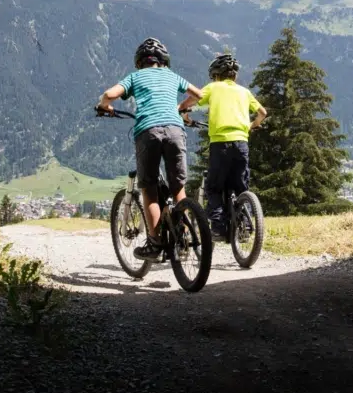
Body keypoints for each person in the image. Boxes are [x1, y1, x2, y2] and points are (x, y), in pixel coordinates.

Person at [96, 37, 203, 260]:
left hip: (149, 131)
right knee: (178, 187)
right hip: (175, 130)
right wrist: (182, 108)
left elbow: (109, 94)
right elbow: (199, 95)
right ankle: (183, 240)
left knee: (149, 190)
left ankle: (154, 244)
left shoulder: (135, 77)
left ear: (140, 62)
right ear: (163, 61)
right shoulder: (173, 76)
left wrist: (104, 106)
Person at [178, 53, 266, 239]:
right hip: (242, 143)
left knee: (214, 186)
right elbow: (262, 113)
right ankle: (244, 224)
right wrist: (251, 126)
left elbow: (188, 103)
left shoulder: (213, 87)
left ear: (216, 75)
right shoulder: (245, 92)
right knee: (241, 185)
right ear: (234, 75)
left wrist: (185, 116)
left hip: (220, 143)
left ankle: (218, 226)